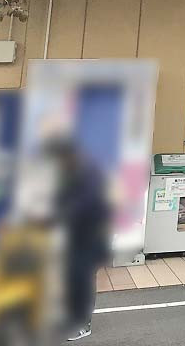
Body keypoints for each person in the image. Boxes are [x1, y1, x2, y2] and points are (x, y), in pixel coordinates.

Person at [48, 137, 111, 341]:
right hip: (75, 236)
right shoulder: (67, 173)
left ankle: (84, 323)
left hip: (90, 236)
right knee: (71, 278)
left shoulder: (89, 173)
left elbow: (86, 205)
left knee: (83, 280)